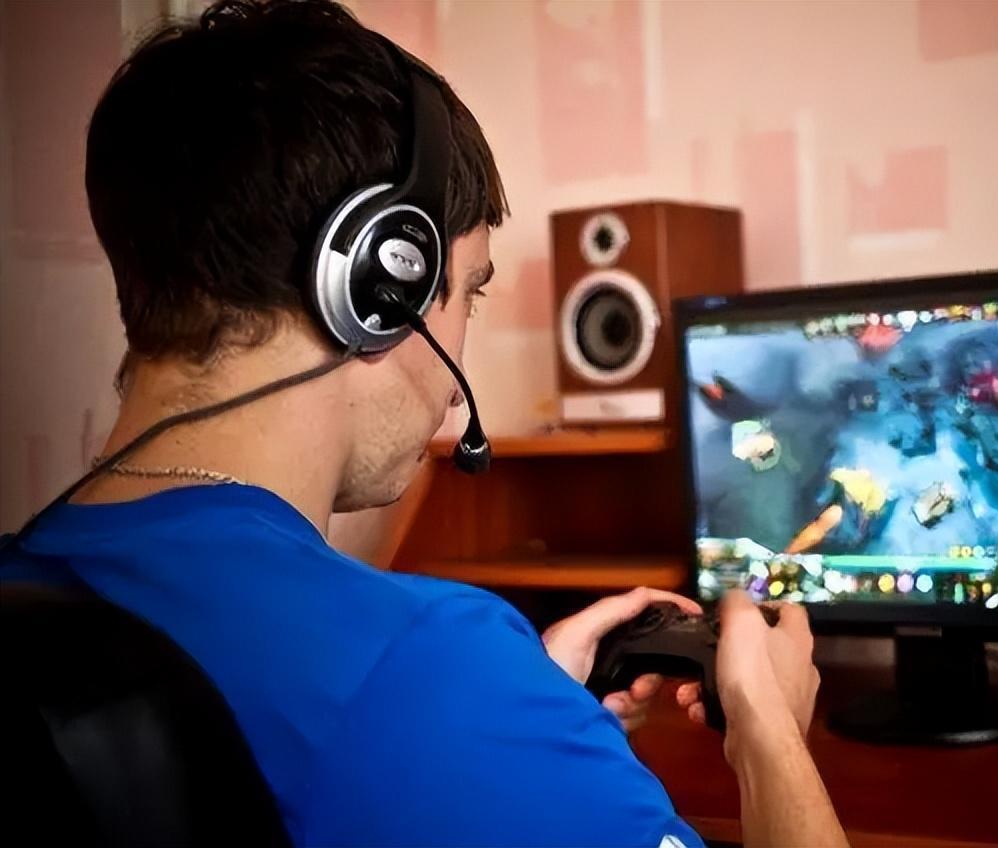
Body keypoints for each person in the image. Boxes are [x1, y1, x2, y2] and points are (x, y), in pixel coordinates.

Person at [0, 2, 847, 847]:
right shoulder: (429, 659)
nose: (454, 382)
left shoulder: (24, 584)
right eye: (471, 290)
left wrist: (515, 719)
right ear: (381, 285)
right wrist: (770, 731)